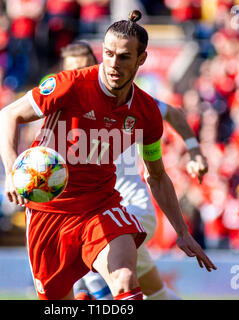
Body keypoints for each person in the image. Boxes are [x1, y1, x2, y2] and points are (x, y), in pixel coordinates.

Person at [0, 10, 216, 300]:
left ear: (141, 59)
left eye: (123, 57)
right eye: (108, 54)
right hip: (49, 211)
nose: (113, 64)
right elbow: (6, 116)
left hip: (100, 206)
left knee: (125, 279)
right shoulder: (70, 85)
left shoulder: (146, 113)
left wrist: (182, 232)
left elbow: (157, 176)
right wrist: (13, 170)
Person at [58, 41, 208, 300]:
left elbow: (173, 114)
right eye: (71, 71)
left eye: (82, 69)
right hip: (97, 213)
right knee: (154, 292)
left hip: (131, 208)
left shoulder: (128, 102)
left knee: (93, 265)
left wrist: (194, 149)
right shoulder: (62, 108)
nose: (76, 77)